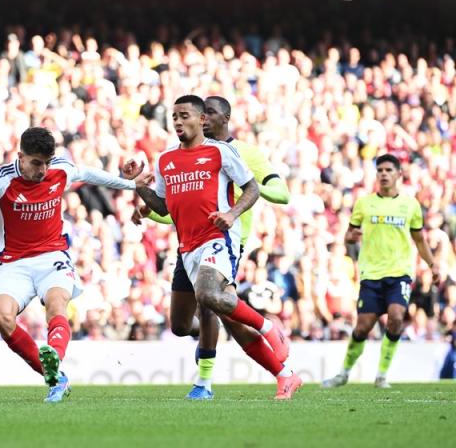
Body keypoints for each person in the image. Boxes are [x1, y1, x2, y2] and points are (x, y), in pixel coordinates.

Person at [0, 126, 143, 403]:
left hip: (52, 255)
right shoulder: (3, 179)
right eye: (35, 163)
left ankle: (54, 352)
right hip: (14, 262)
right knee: (1, 317)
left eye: (46, 163)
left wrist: (128, 183)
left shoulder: (60, 170)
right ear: (20, 156)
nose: (42, 170)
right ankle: (56, 377)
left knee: (56, 302)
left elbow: (87, 173)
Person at [131, 94, 302, 400]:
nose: (180, 122)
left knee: (209, 298)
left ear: (209, 119)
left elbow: (261, 190)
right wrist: (139, 189)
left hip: (222, 241)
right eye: (175, 117)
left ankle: (258, 339)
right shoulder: (166, 159)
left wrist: (231, 214)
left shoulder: (230, 152)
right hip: (187, 247)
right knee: (182, 325)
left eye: (188, 115)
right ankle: (283, 373)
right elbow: (167, 207)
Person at [322, 154, 437, 389]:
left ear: (398, 174)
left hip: (400, 272)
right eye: (380, 170)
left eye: (388, 170)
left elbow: (419, 239)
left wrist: (432, 264)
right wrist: (350, 237)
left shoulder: (410, 205)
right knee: (362, 328)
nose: (383, 174)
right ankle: (343, 373)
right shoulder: (364, 203)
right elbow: (348, 235)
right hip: (371, 274)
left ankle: (382, 375)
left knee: (396, 317)